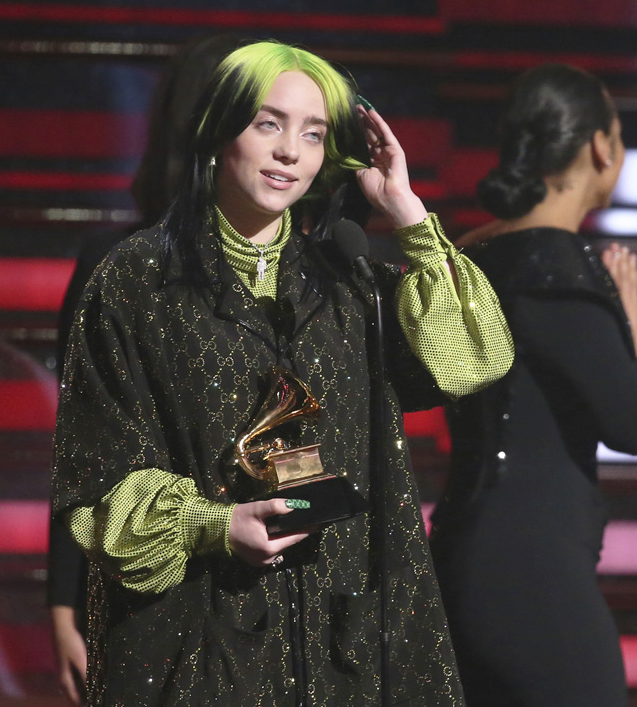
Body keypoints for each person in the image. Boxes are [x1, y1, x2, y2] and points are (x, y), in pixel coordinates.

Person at [51, 40, 513, 706]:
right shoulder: (137, 280)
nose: (289, 151)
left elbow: (476, 356)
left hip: (340, 646)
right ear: (219, 131)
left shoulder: (346, 282)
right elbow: (95, 484)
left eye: (313, 133)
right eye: (268, 123)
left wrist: (408, 214)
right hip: (195, 644)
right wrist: (213, 523)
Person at [428, 64, 637, 706]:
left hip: (460, 547)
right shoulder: (558, 263)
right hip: (530, 570)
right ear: (598, 147)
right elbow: (633, 423)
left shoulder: (469, 252)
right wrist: (632, 342)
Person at [47, 35, 241, 705]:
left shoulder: (304, 279)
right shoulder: (115, 265)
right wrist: (62, 600)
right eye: (260, 117)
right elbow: (81, 446)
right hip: (145, 586)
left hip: (268, 586)